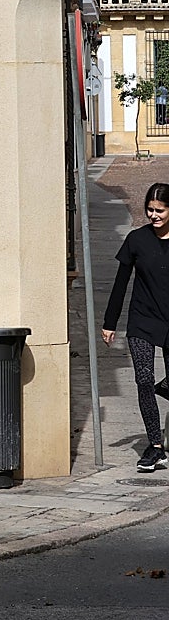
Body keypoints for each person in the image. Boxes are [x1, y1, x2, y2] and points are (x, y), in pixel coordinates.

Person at [102, 183, 169, 473]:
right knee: (143, 379)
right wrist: (109, 322)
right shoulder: (136, 240)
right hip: (142, 320)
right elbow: (120, 284)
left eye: (160, 210)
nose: (153, 215)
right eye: (150, 210)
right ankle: (155, 447)